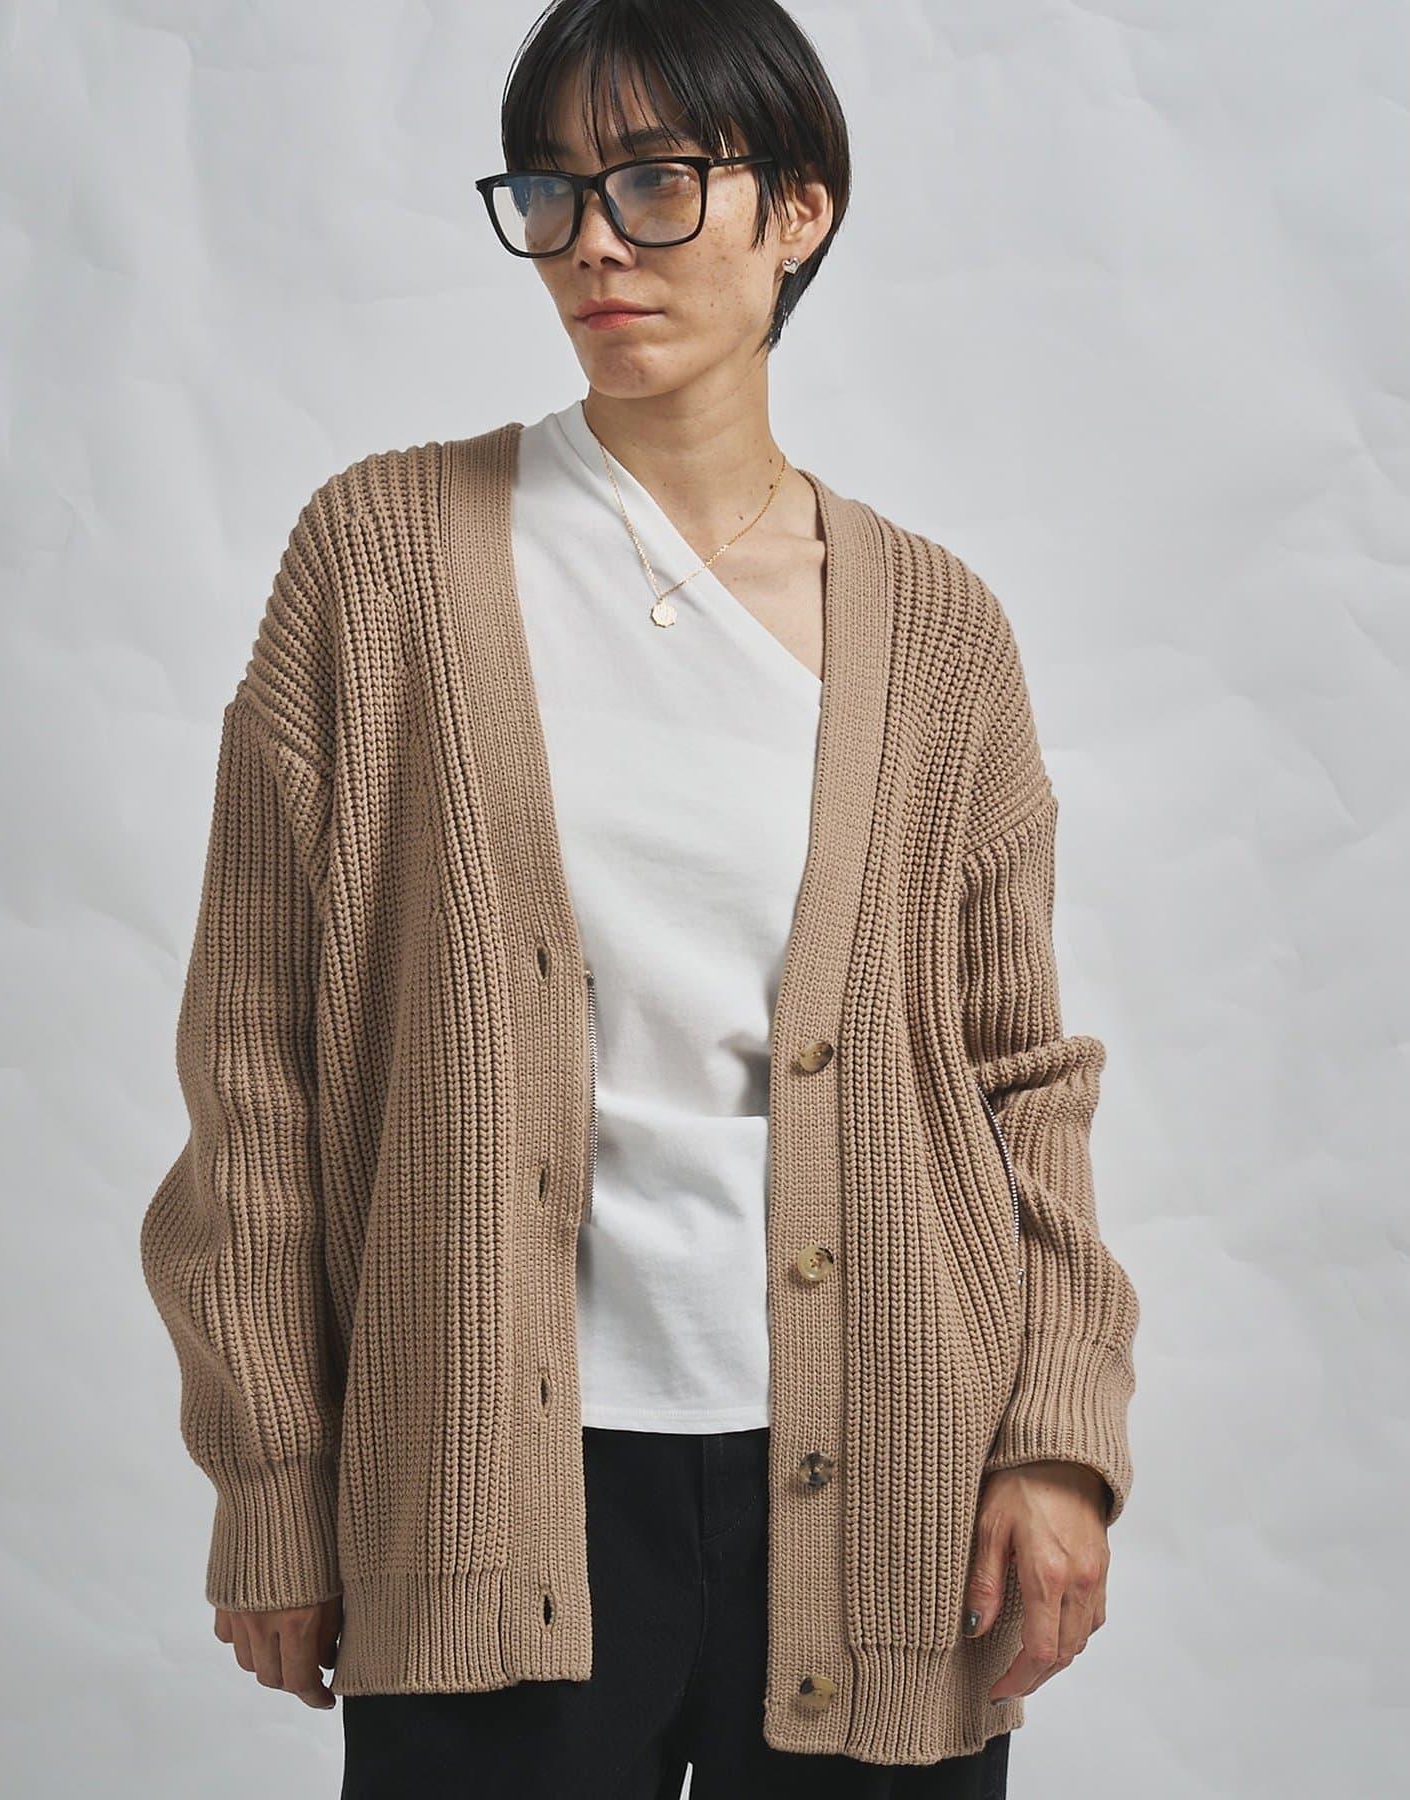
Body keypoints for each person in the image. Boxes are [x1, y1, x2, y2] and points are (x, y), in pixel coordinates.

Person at [138, 2, 1141, 1795]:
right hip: (483, 1474)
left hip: (890, 1479)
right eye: (553, 188)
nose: (595, 241)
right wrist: (274, 1471)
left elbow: (1019, 1077)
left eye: (659, 182)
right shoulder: (382, 562)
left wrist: (1057, 1436)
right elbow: (256, 1061)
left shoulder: (940, 634)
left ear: (800, 210)